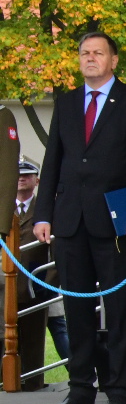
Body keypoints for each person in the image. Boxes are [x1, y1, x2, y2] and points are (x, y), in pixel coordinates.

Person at [34, 32, 126, 404]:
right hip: (71, 220)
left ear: (113, 59)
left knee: (119, 309)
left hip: (117, 223)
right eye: (84, 53)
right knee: (75, 310)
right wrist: (43, 214)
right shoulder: (67, 102)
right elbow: (53, 161)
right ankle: (79, 389)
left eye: (98, 53)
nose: (90, 59)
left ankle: (119, 389)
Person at [12, 159, 54, 390]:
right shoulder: (4, 207)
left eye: (27, 175)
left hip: (33, 285)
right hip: (4, 286)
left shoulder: (45, 210)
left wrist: (49, 284)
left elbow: (56, 250)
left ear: (36, 181)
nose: (21, 178)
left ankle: (32, 384)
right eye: (18, 175)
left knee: (33, 340)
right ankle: (6, 383)